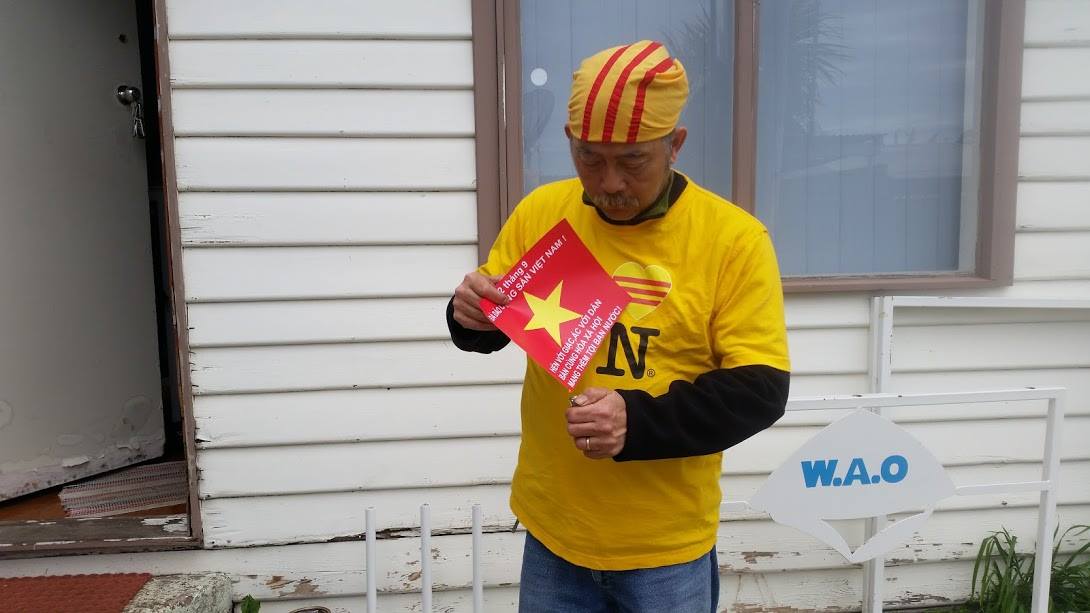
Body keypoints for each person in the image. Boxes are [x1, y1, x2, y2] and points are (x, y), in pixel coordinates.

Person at [447, 40, 790, 613]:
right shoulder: (544, 211)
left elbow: (760, 390)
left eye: (633, 161)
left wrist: (637, 420)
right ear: (569, 141)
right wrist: (468, 314)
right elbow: (492, 324)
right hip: (554, 529)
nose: (608, 183)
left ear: (675, 144)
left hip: (665, 547)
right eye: (589, 157)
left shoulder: (733, 240)